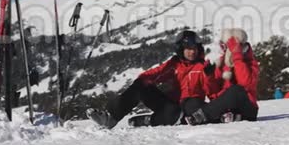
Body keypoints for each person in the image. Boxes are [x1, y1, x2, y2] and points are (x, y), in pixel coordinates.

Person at [86, 30, 217, 128]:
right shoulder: (174, 64)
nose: (192, 52)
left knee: (174, 114)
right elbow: (158, 72)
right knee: (141, 86)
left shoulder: (202, 67)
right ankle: (111, 117)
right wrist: (143, 79)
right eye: (188, 49)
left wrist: (210, 76)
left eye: (194, 48)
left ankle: (148, 120)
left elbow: (212, 91)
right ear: (181, 49)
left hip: (186, 110)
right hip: (169, 104)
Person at [182, 28, 259, 125]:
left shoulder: (249, 61)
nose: (225, 50)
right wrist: (209, 77)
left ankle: (202, 116)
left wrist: (237, 56)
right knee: (192, 103)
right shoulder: (222, 63)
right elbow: (213, 95)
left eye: (228, 47)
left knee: (236, 90)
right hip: (226, 109)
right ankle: (222, 117)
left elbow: (246, 84)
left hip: (247, 109)